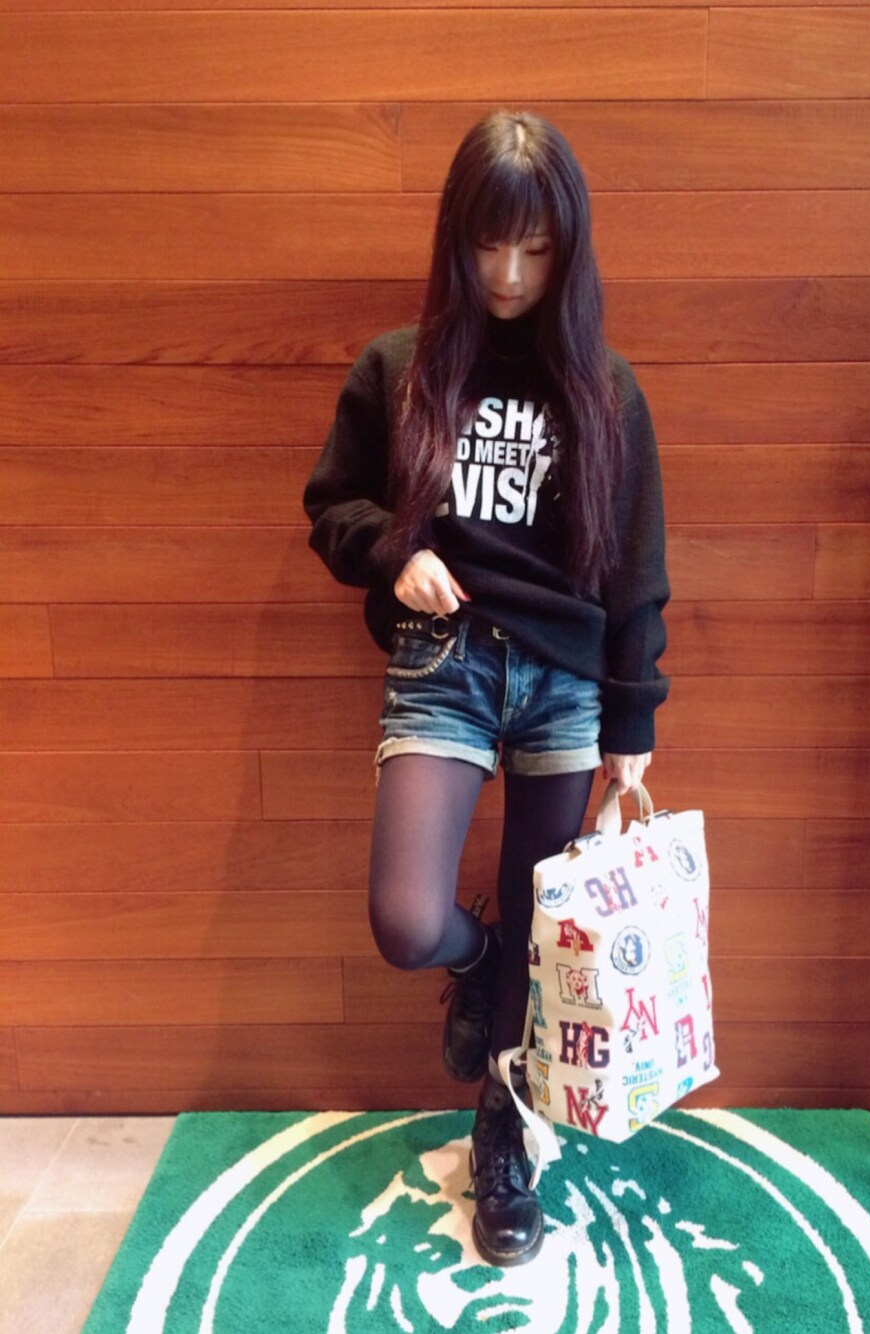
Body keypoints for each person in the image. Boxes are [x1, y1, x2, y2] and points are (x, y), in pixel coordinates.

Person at [303, 110, 669, 1267]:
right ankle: (477, 958)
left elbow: (635, 572)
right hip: (444, 659)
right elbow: (331, 504)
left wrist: (632, 720)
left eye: (535, 249)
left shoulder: (605, 390)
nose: (508, 273)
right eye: (487, 243)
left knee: (540, 926)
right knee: (408, 918)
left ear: (569, 250)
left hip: (563, 679)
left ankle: (501, 1133)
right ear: (454, 239)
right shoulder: (399, 367)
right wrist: (391, 551)